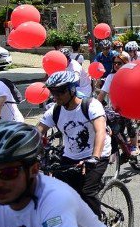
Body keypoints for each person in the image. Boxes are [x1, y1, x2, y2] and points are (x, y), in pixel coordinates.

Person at [37, 70, 111, 217]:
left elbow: (100, 132)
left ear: (71, 89)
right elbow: (37, 132)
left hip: (96, 153)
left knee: (86, 192)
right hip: (71, 155)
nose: (55, 96)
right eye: (53, 92)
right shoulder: (55, 110)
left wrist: (94, 157)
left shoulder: (91, 105)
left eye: (59, 92)